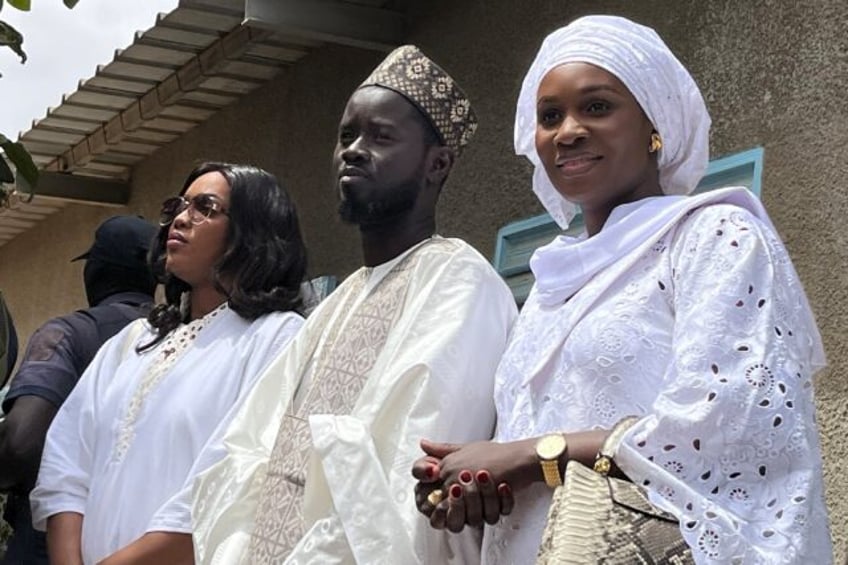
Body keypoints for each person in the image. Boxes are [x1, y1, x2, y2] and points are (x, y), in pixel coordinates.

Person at [412, 15, 831, 564]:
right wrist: (469, 485)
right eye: (549, 116)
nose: (568, 131)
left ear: (655, 125)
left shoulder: (715, 237)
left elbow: (725, 428)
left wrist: (529, 455)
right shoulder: (549, 288)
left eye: (597, 107)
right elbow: (523, 456)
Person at [191, 45, 518, 564]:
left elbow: (404, 468)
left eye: (381, 136)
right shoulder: (335, 303)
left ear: (438, 163)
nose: (355, 150)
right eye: (347, 135)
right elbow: (250, 447)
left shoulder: (459, 282)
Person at [30, 162, 308, 565]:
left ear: (253, 230)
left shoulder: (276, 337)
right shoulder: (132, 342)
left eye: (204, 207)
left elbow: (233, 483)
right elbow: (65, 466)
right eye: (178, 206)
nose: (180, 218)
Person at [0, 214, 158, 565]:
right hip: (146, 543)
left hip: (49, 544)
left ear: (97, 270)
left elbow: (19, 444)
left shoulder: (68, 334)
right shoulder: (187, 338)